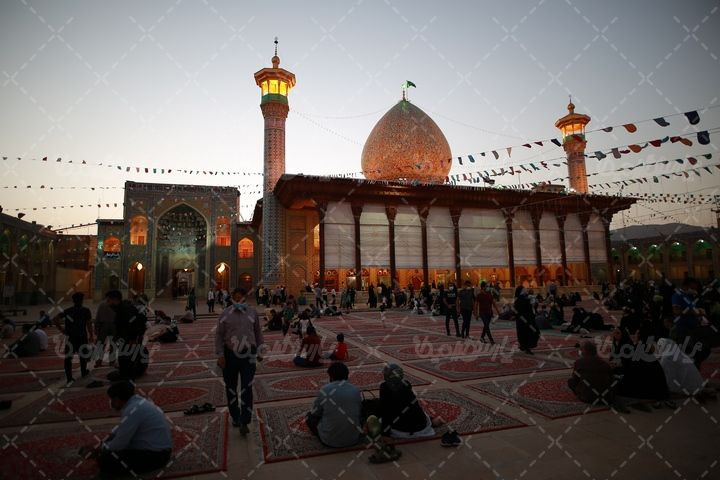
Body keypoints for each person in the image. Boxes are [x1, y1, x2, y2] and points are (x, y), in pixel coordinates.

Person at [79, 381, 172, 476]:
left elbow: (119, 444)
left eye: (111, 399)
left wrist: (99, 449)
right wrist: (102, 443)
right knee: (110, 445)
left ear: (117, 399)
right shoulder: (138, 403)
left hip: (156, 456)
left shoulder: (132, 410)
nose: (111, 403)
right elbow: (119, 431)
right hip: (161, 451)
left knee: (106, 460)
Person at [215, 287, 264, 434]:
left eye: (240, 297)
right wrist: (220, 355)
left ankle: (245, 420)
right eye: (235, 298)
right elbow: (219, 335)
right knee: (231, 388)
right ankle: (235, 416)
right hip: (230, 355)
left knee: (246, 387)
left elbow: (258, 332)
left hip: (249, 354)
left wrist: (260, 350)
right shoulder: (225, 314)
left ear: (244, 298)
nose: (238, 300)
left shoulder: (252, 312)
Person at [305, 362, 362, 447]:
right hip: (354, 439)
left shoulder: (325, 389)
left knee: (309, 417)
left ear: (331, 376)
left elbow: (315, 412)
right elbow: (359, 411)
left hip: (329, 441)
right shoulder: (356, 390)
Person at [106, 290, 148, 381]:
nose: (107, 303)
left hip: (129, 341)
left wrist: (133, 338)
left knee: (127, 362)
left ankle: (128, 381)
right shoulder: (121, 309)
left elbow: (135, 322)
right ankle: (126, 378)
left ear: (115, 299)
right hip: (125, 341)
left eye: (109, 300)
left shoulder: (125, 309)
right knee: (125, 362)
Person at [54, 292, 93, 385]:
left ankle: (69, 378)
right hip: (82, 336)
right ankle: (83, 372)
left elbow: (55, 319)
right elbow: (89, 324)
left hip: (70, 337)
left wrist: (61, 330)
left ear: (73, 301)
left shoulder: (68, 311)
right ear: (82, 300)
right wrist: (91, 335)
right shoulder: (86, 311)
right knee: (82, 356)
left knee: (68, 358)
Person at [514, 287, 539, 354]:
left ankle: (524, 346)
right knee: (526, 333)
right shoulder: (520, 299)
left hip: (527, 319)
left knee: (532, 332)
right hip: (524, 320)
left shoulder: (526, 298)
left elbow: (533, 306)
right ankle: (526, 347)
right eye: (524, 289)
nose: (526, 290)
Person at [94, 293, 117, 368]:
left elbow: (98, 317)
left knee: (101, 344)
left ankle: (99, 361)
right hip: (113, 325)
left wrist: (96, 327)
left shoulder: (102, 304)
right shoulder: (115, 304)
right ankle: (112, 361)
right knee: (113, 344)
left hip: (103, 325)